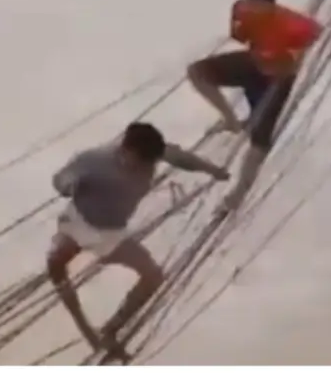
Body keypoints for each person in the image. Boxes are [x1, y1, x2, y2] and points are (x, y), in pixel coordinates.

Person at [46, 122, 228, 360]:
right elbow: (60, 179)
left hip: (112, 232)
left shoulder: (151, 153)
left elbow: (181, 158)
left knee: (153, 276)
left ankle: (111, 328)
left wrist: (212, 169)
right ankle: (84, 327)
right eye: (142, 161)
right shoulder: (94, 159)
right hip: (79, 222)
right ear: (126, 151)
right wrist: (67, 186)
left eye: (151, 162)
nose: (147, 167)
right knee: (55, 262)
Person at [186, 0, 323, 212]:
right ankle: (229, 118)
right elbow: (240, 36)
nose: (249, 6)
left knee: (260, 140)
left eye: (255, 3)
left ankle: (239, 193)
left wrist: (295, 59)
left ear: (270, 3)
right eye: (247, 0)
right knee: (197, 72)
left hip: (277, 77)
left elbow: (318, 32)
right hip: (254, 63)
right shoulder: (240, 9)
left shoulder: (293, 23)